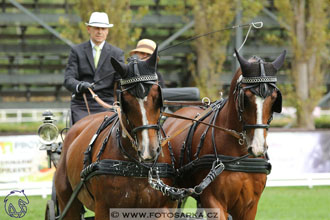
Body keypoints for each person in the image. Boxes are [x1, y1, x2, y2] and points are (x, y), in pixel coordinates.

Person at [64, 12, 125, 124]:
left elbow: (120, 83)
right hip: (82, 103)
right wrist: (79, 85)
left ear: (107, 31)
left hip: (107, 104)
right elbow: (68, 79)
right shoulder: (76, 51)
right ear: (88, 29)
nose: (100, 32)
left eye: (103, 28)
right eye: (96, 28)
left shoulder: (117, 53)